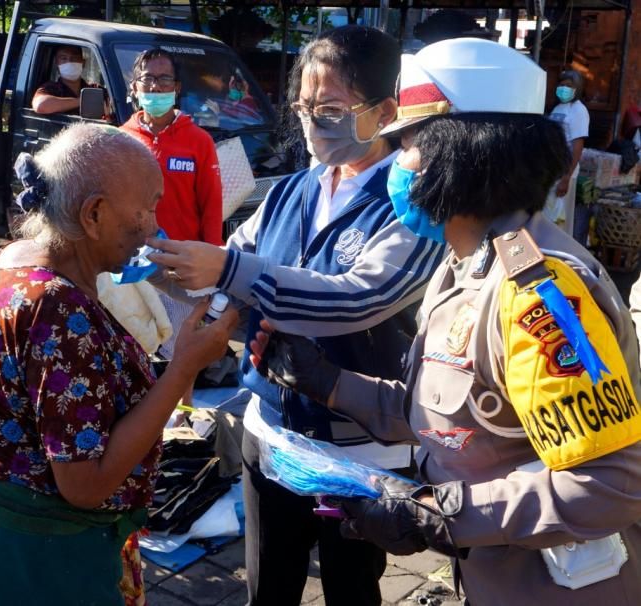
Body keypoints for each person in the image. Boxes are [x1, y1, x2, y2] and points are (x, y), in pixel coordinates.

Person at [252, 38, 641, 605]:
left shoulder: (542, 297)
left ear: (458, 155)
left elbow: (609, 485)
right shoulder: (463, 269)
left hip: (559, 588)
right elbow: (452, 416)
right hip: (490, 575)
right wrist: (328, 383)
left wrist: (440, 516)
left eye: (406, 143)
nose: (395, 163)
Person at [146, 26, 445, 605]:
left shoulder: (412, 204)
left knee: (351, 585)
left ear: (383, 111)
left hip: (358, 443)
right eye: (305, 107)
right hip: (270, 425)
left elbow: (359, 297)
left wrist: (226, 270)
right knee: (270, 583)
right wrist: (158, 271)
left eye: (331, 108)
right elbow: (229, 284)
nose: (312, 122)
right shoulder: (290, 191)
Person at [0, 123, 237, 605]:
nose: (154, 224)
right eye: (149, 206)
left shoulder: (10, 258)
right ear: (94, 214)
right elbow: (85, 485)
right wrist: (183, 367)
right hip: (35, 553)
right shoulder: (58, 309)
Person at [120, 48, 223, 366]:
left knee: (182, 346)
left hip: (181, 264)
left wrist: (212, 263)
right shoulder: (121, 140)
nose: (156, 87)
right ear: (135, 86)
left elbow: (211, 205)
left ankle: (183, 413)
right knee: (133, 342)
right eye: (148, 79)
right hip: (131, 264)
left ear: (177, 88)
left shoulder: (199, 141)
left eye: (165, 79)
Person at [544, 69, 590, 236]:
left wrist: (566, 177)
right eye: (561, 85)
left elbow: (577, 145)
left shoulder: (578, 110)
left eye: (568, 85)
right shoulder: (558, 107)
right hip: (552, 171)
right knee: (549, 218)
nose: (563, 88)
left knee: (559, 221)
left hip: (564, 172)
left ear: (577, 88)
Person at [31, 44, 103, 115]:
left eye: (74, 58)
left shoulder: (96, 89)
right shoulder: (50, 89)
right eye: (63, 58)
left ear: (83, 62)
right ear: (57, 63)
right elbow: (40, 105)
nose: (69, 62)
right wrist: (83, 101)